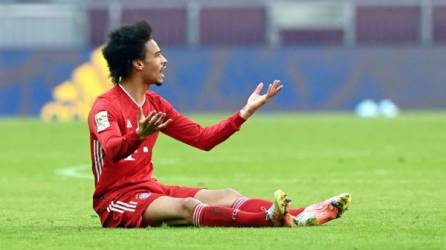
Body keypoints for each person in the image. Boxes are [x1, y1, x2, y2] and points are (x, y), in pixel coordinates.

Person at [88, 21, 351, 228]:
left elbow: (203, 139)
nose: (164, 60)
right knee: (187, 207)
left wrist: (243, 113)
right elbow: (112, 150)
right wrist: (137, 135)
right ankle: (269, 218)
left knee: (227, 194)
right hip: (117, 201)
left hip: (149, 188)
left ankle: (302, 214)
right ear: (137, 63)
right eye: (157, 55)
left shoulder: (156, 104)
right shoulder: (105, 107)